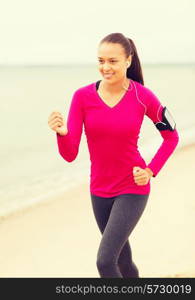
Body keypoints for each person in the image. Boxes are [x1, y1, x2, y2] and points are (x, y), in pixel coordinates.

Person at [47, 33, 179, 278]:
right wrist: (62, 133)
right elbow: (70, 154)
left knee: (105, 261)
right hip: (99, 189)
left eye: (112, 61)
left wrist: (150, 170)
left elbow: (172, 137)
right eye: (101, 60)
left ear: (128, 60)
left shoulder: (143, 96)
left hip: (132, 187)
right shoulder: (82, 97)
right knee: (123, 262)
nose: (105, 67)